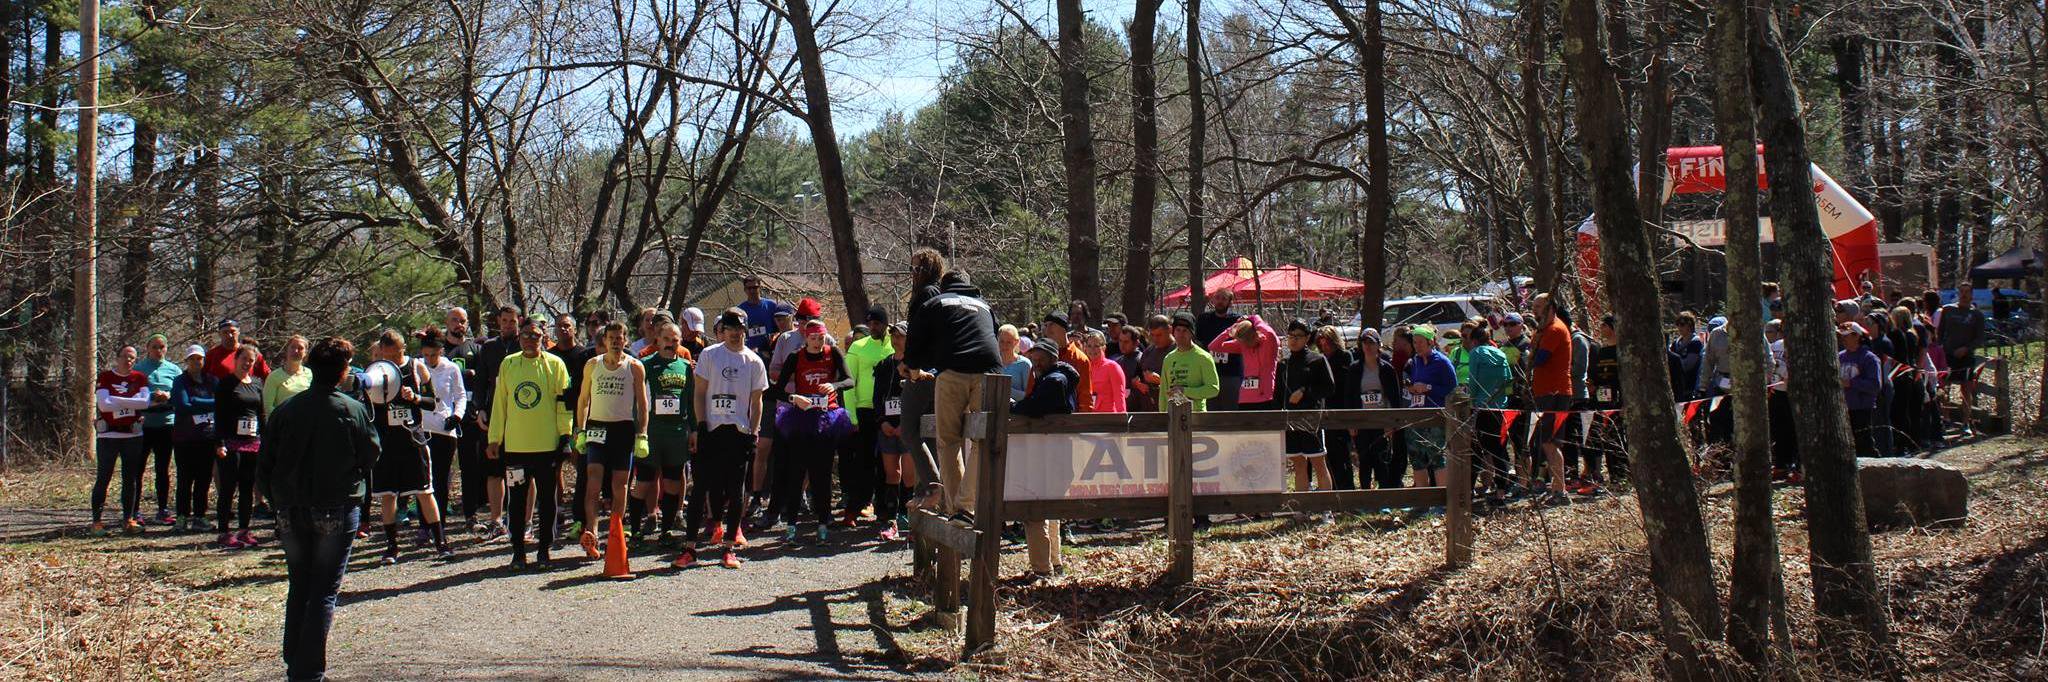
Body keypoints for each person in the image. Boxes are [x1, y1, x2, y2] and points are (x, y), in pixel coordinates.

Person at [256, 336, 379, 682]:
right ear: (342, 373)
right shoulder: (351, 409)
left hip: (291, 508)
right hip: (336, 507)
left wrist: (276, 498)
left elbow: (264, 464)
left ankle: (295, 657)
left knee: (301, 583)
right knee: (323, 589)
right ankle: (307, 671)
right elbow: (371, 453)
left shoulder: (286, 411)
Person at [904, 260, 1003, 515]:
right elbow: (994, 333)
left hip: (953, 371)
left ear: (944, 285)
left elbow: (915, 337)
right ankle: (966, 504)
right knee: (983, 439)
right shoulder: (985, 306)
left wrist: (912, 367)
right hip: (989, 372)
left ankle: (956, 509)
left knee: (948, 440)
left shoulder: (935, 303)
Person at [486, 317, 574, 569]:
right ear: (519, 337)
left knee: (547, 500)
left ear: (543, 337)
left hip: (546, 447)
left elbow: (564, 405)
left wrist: (565, 436)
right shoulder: (508, 364)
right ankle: (518, 552)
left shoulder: (555, 365)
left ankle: (544, 550)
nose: (529, 340)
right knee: (517, 501)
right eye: (525, 335)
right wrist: (495, 438)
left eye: (535, 335)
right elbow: (500, 404)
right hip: (516, 448)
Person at [764, 319, 856, 542]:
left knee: (822, 473)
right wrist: (793, 397)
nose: (817, 342)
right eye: (813, 338)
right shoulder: (796, 357)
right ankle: (792, 524)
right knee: (796, 471)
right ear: (806, 338)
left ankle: (823, 522)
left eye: (821, 338)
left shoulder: (832, 353)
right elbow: (773, 392)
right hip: (801, 419)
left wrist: (833, 386)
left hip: (827, 419)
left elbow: (849, 380)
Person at [364, 330, 451, 563]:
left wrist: (414, 398)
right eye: (388, 355)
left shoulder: (416, 367)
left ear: (404, 349)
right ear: (381, 351)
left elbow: (433, 402)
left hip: (413, 439)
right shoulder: (374, 372)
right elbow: (365, 407)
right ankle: (391, 546)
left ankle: (440, 542)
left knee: (424, 491)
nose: (393, 359)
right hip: (386, 441)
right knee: (388, 495)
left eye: (397, 354)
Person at [695, 309, 770, 568]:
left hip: (740, 431)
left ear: (745, 330)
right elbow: (699, 392)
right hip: (713, 429)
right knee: (711, 486)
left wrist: (754, 431)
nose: (735, 333)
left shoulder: (753, 361)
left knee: (737, 488)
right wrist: (701, 424)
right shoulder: (709, 355)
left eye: (739, 328)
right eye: (730, 328)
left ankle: (729, 545)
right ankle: (709, 529)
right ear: (722, 331)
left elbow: (757, 401)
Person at [574, 321, 649, 560]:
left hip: (623, 429)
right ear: (604, 341)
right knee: (593, 481)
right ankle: (592, 533)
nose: (616, 342)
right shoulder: (592, 365)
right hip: (597, 427)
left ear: (626, 340)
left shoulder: (635, 366)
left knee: (620, 485)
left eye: (620, 338)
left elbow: (642, 404)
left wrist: (642, 434)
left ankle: (615, 533)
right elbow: (583, 399)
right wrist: (580, 429)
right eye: (611, 338)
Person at [1013, 343, 1078, 577]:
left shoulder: (1054, 381)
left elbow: (1035, 406)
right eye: (1034, 360)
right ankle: (1054, 562)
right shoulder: (1059, 379)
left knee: (1035, 510)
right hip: (1056, 452)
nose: (1036, 365)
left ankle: (1042, 569)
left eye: (1040, 360)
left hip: (1048, 453)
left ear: (1052, 358)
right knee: (1049, 510)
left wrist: (1015, 407)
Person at [637, 323, 696, 558]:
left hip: (677, 432)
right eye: (667, 338)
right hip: (652, 431)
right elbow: (638, 402)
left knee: (672, 483)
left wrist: (694, 429)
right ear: (658, 340)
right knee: (643, 482)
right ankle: (634, 532)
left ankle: (667, 531)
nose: (671, 342)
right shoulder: (645, 365)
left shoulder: (685, 367)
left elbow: (691, 402)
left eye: (676, 339)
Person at [467, 305, 521, 537]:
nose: (509, 324)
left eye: (513, 321)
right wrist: (479, 409)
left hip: (520, 416)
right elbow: (480, 382)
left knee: (518, 469)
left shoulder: (525, 345)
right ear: (498, 322)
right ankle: (496, 520)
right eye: (505, 320)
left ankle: (518, 518)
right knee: (494, 469)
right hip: (493, 415)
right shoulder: (488, 348)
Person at [840, 306, 895, 527]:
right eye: (870, 323)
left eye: (878, 324)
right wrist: (851, 415)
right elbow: (849, 383)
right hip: (864, 410)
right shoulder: (858, 347)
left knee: (887, 463)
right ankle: (853, 509)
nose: (873, 327)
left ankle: (884, 510)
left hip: (888, 412)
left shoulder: (895, 344)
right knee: (863, 463)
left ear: (886, 324)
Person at [92, 346, 155, 536]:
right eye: (125, 357)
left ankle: (129, 519)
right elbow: (103, 404)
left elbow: (144, 403)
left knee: (131, 479)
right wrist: (130, 399)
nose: (128, 361)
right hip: (108, 436)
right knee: (104, 477)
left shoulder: (140, 378)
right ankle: (96, 522)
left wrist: (116, 400)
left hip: (132, 435)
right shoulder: (105, 377)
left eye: (132, 358)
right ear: (117, 357)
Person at [210, 345, 267, 548]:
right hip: (231, 443)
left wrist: (265, 438)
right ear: (236, 359)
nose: (247, 364)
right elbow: (219, 415)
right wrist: (219, 443)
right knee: (228, 488)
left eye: (251, 361)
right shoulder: (226, 384)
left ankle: (244, 529)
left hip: (252, 442)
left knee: (247, 488)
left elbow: (261, 414)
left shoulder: (258, 384)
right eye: (244, 359)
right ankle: (224, 531)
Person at [415, 329, 467, 535]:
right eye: (426, 355)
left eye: (434, 355)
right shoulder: (416, 366)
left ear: (441, 351)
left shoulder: (451, 368)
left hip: (444, 429)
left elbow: (460, 395)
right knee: (422, 479)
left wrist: (457, 416)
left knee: (441, 479)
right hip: (421, 427)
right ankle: (423, 525)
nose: (429, 359)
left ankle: (440, 524)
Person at [1276, 320, 1335, 495]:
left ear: (1307, 338)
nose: (1293, 340)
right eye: (1291, 336)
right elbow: (1278, 395)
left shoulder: (1317, 360)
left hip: (1312, 420)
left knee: (1318, 462)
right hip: (1290, 421)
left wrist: (1305, 392)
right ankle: (1302, 508)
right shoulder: (1283, 364)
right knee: (1299, 464)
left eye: (1298, 336)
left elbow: (1329, 387)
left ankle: (1327, 510)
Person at [1527, 293, 1575, 501]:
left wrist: (1532, 347)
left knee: (1550, 442)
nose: (1535, 310)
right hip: (1544, 392)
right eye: (1534, 306)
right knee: (1547, 442)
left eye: (1539, 306)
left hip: (1555, 393)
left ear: (1551, 308)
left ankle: (1560, 489)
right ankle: (1556, 487)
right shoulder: (1543, 330)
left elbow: (1539, 359)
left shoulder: (1555, 330)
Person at [1461, 319, 1512, 502]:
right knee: (1498, 450)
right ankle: (1501, 490)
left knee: (1476, 449)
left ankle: (1469, 489)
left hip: (1481, 408)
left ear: (1474, 341)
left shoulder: (1476, 353)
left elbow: (1473, 380)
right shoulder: (1500, 353)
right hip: (1500, 408)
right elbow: (1508, 379)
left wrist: (1472, 400)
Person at [169, 345, 219, 533]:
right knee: (185, 478)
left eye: (199, 359)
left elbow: (221, 402)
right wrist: (207, 405)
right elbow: (182, 405)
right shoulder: (180, 381)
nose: (196, 362)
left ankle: (200, 516)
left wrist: (196, 402)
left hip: (207, 436)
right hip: (184, 438)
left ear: (204, 361)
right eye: (192, 359)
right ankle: (182, 516)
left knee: (204, 479)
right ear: (187, 361)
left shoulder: (212, 381)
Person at [136, 334, 183, 527]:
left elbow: (181, 393)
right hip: (145, 424)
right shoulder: (138, 370)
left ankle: (163, 509)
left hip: (166, 423)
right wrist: (150, 397)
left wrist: (168, 395)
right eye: (154, 346)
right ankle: (134, 510)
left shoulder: (174, 370)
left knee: (162, 469)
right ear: (147, 348)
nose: (158, 350)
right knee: (137, 469)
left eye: (162, 347)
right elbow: (133, 393)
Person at [1349, 329, 1405, 490]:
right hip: (1362, 421)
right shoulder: (1355, 369)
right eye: (1364, 343)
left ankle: (1384, 496)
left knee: (1381, 458)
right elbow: (1350, 397)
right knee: (1364, 459)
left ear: (1378, 345)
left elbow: (1394, 397)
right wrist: (1351, 423)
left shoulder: (1387, 369)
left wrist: (1391, 423)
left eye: (1371, 343)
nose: (1367, 346)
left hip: (1382, 421)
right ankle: (1365, 495)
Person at [872, 323, 913, 541]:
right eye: (894, 336)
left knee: (909, 474)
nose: (897, 340)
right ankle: (891, 519)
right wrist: (882, 422)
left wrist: (906, 424)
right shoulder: (883, 365)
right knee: (891, 473)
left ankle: (910, 517)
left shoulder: (917, 365)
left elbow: (922, 398)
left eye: (901, 336)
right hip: (887, 426)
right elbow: (877, 398)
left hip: (908, 427)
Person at [1403, 327, 1455, 487]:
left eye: (1420, 342)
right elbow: (1411, 382)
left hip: (1436, 415)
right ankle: (1422, 499)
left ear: (1430, 342)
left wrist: (1429, 388)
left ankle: (1441, 498)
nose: (1417, 346)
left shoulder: (1442, 362)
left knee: (1437, 456)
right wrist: (1411, 387)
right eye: (1414, 342)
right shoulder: (1415, 361)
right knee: (1417, 457)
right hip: (1416, 413)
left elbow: (1452, 388)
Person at [1940, 280, 1989, 437]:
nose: (1964, 294)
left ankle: (1966, 422)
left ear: (1972, 294)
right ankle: (1945, 418)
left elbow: (1980, 338)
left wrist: (1966, 348)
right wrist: (1945, 349)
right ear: (1958, 292)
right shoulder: (1947, 310)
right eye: (1962, 291)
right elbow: (1940, 333)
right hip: (1948, 355)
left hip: (1966, 356)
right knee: (1944, 386)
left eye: (1967, 291)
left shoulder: (1976, 315)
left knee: (1966, 389)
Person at [1587, 316, 1627, 486]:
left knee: (1618, 438)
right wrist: (1591, 385)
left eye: (1603, 325)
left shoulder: (1622, 351)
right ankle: (1612, 476)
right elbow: (1594, 374)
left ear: (1612, 327)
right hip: (1601, 400)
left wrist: (1624, 402)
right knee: (1605, 438)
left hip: (1617, 401)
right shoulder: (1601, 351)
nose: (1601, 328)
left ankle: (1623, 475)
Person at [1209, 314, 1278, 410]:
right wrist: (1233, 327)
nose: (1244, 345)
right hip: (1245, 399)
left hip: (1266, 397)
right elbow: (1213, 346)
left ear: (1254, 335)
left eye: (1246, 342)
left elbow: (1269, 331)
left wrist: (1255, 318)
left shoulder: (1269, 341)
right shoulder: (1242, 345)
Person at [1194, 289, 1244, 410]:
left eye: (1224, 299)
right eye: (1217, 298)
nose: (1220, 301)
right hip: (1208, 372)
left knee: (1231, 410)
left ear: (1230, 302)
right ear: (1213, 300)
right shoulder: (1203, 319)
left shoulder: (1237, 320)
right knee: (1210, 410)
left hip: (1231, 372)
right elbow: (1198, 342)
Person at [1839, 322, 1881, 457]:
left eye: (1846, 336)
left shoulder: (1869, 358)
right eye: (1842, 336)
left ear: (1856, 336)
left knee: (1864, 443)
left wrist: (1851, 383)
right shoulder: (1840, 357)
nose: (1843, 339)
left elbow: (1875, 385)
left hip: (1862, 407)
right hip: (1845, 407)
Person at [1039, 313, 1096, 413]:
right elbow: (1030, 391)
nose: (1047, 330)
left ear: (1064, 328)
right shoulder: (1040, 357)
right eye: (1046, 325)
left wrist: (1083, 423)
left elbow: (1085, 398)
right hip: (1042, 420)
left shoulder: (1080, 359)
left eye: (1052, 324)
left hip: (1071, 422)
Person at [203, 319, 272, 381]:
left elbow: (269, 378)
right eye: (225, 332)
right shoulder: (211, 355)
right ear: (219, 334)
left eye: (233, 331)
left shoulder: (251, 354)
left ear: (238, 332)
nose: (229, 335)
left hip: (246, 392)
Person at [1130, 315, 1171, 413]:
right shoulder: (1148, 351)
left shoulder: (1178, 351)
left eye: (1159, 335)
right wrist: (1138, 384)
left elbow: (1184, 383)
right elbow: (1136, 377)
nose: (1155, 339)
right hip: (1148, 408)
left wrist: (1161, 381)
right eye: (1152, 335)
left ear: (1170, 330)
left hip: (1170, 409)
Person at [1082, 329, 1125, 413]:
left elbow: (1119, 396)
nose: (1092, 349)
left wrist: (1122, 420)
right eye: (1089, 346)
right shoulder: (1084, 367)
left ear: (1104, 347)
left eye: (1096, 346)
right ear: (1085, 348)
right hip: (1088, 417)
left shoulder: (1112, 367)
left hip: (1108, 417)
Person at [737, 275, 783, 352]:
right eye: (749, 288)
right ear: (745, 290)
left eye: (755, 287)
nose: (752, 291)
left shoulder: (771, 306)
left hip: (770, 352)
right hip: (748, 352)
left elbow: (780, 329)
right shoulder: (740, 310)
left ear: (760, 288)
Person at [1667, 312, 1703, 402]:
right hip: (1677, 386)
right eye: (1678, 324)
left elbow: (1688, 365)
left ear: (1690, 325)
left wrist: (1675, 363)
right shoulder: (1676, 343)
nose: (1679, 327)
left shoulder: (1695, 342)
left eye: (1682, 324)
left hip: (1690, 386)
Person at [996, 325, 1033, 404]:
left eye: (1009, 342)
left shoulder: (1024, 364)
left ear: (1016, 342)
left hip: (1016, 413)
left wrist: (1006, 390)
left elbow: (1029, 395)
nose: (1004, 345)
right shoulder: (993, 362)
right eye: (1001, 341)